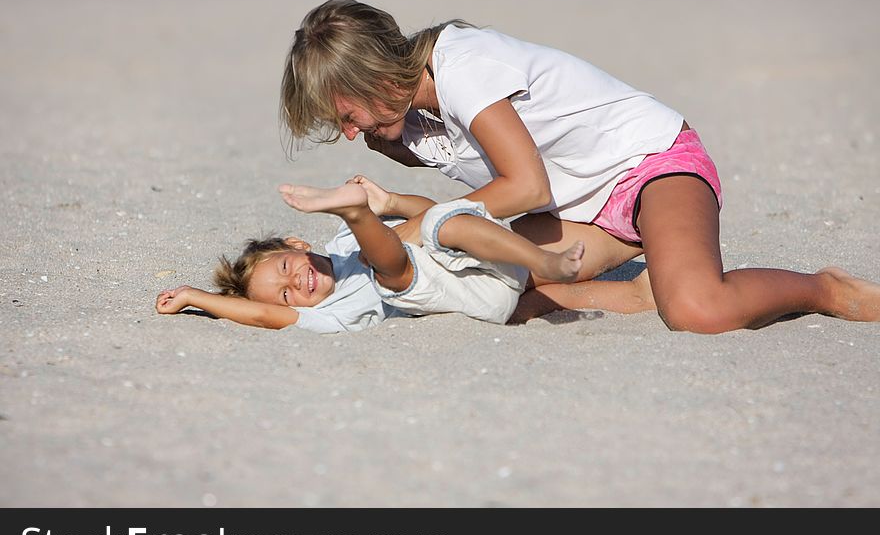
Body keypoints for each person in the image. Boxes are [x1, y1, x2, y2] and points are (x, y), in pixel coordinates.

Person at [279, 0, 880, 333]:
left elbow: (524, 184)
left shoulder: (462, 65)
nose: (354, 134)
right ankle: (649, 289)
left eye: (349, 115)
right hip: (587, 213)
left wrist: (415, 229)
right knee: (494, 289)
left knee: (699, 311)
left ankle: (826, 289)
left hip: (652, 167)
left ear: (377, 75)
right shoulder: (408, 123)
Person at [155, 176, 651, 333]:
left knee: (442, 222)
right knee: (397, 264)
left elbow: (442, 213)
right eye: (287, 295)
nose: (296, 286)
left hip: (490, 272)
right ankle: (356, 210)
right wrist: (198, 297)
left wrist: (391, 204)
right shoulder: (328, 316)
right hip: (469, 292)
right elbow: (261, 313)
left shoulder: (344, 250)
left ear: (298, 244)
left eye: (288, 269)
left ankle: (648, 286)